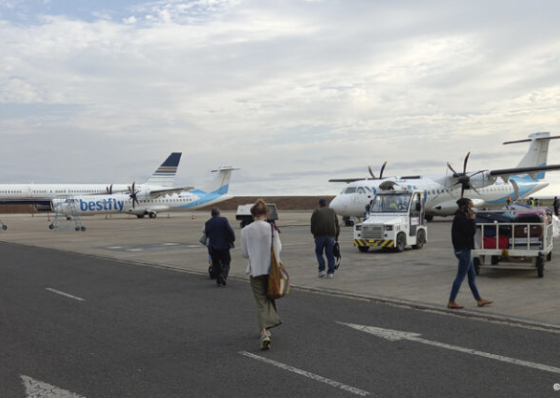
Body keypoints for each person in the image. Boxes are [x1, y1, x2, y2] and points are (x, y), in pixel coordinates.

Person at [241, 199, 282, 350]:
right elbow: (278, 249)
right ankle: (268, 326)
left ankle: (264, 331)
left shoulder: (245, 230)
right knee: (270, 296)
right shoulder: (272, 228)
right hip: (271, 269)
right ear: (266, 214)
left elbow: (245, 254)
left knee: (260, 301)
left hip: (255, 270)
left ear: (252, 214)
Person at [447, 198, 493, 309]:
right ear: (464, 207)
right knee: (460, 277)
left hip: (465, 250)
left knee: (471, 276)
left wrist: (469, 219)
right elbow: (470, 232)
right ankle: (451, 301)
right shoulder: (460, 218)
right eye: (470, 206)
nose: (471, 208)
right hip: (463, 251)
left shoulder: (462, 217)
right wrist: (471, 219)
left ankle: (479, 300)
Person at [204, 207, 235, 286]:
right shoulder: (223, 220)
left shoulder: (208, 223)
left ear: (211, 214)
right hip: (224, 246)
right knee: (226, 262)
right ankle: (222, 276)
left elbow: (207, 234)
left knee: (216, 264)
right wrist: (232, 239)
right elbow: (230, 230)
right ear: (219, 213)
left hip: (213, 247)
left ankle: (218, 277)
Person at [310, 198, 340, 279]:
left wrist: (313, 233)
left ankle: (322, 270)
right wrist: (336, 235)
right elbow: (337, 224)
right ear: (326, 204)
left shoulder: (316, 211)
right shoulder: (332, 211)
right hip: (331, 235)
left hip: (319, 235)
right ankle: (330, 272)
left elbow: (313, 223)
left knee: (319, 252)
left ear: (319, 204)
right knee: (330, 254)